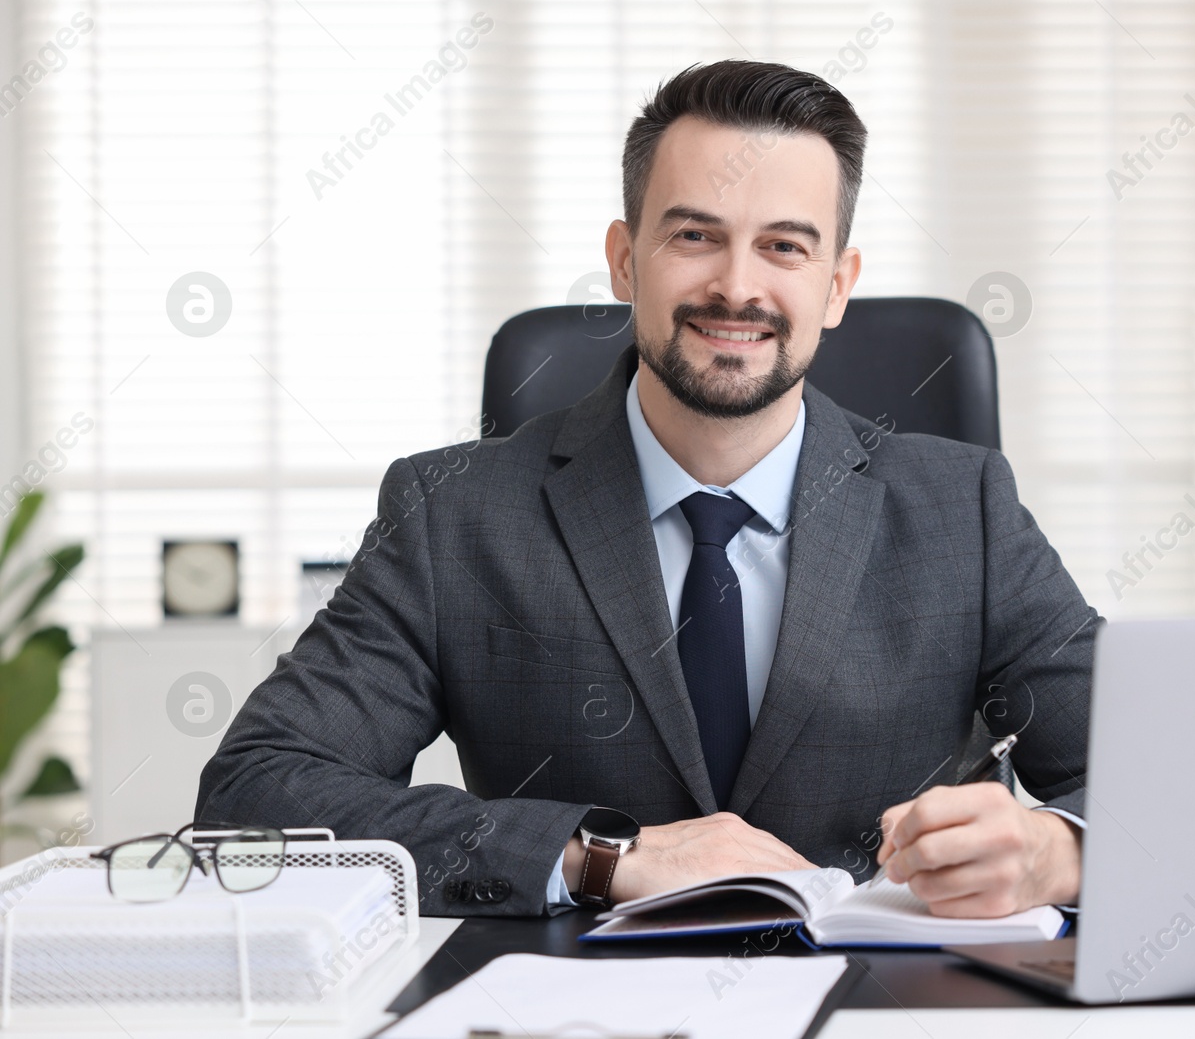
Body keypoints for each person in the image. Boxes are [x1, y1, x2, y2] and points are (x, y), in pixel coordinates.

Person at [197, 59, 1101, 920]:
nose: (737, 286)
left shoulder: (964, 509)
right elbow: (255, 792)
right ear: (626, 261)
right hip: (571, 1003)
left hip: (894, 1003)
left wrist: (1055, 851)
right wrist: (598, 856)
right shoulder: (452, 514)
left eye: (784, 246)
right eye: (695, 235)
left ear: (837, 285)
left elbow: (1173, 781)